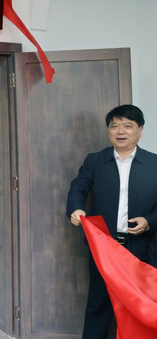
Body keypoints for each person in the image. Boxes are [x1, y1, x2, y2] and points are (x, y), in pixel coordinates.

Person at [67, 104, 157, 339]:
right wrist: (75, 208)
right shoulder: (96, 160)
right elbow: (78, 187)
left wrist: (149, 221)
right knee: (98, 305)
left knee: (140, 306)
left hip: (141, 248)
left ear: (140, 130)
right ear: (109, 131)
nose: (120, 131)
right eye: (115, 126)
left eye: (128, 126)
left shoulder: (155, 163)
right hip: (104, 247)